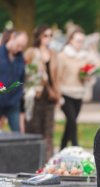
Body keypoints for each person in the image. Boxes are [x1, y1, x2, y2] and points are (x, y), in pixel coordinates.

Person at [24, 25, 60, 160]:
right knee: (35, 129)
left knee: (49, 131)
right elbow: (25, 72)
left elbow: (56, 77)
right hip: (36, 96)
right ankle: (33, 160)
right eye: (45, 35)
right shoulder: (32, 52)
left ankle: (47, 161)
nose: (48, 38)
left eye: (50, 35)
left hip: (51, 96)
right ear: (39, 36)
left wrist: (58, 95)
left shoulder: (54, 54)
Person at [56, 28, 93, 149]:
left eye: (82, 41)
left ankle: (62, 147)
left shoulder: (85, 57)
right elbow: (58, 77)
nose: (80, 44)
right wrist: (58, 96)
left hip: (79, 94)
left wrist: (86, 76)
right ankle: (76, 147)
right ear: (71, 40)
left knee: (70, 124)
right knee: (72, 122)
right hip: (65, 94)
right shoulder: (62, 56)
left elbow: (89, 76)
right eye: (78, 40)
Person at [0, 31, 28, 132]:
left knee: (17, 133)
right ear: (12, 38)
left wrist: (17, 96)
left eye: (22, 47)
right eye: (18, 45)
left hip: (13, 103)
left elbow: (21, 80)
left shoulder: (20, 58)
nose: (20, 49)